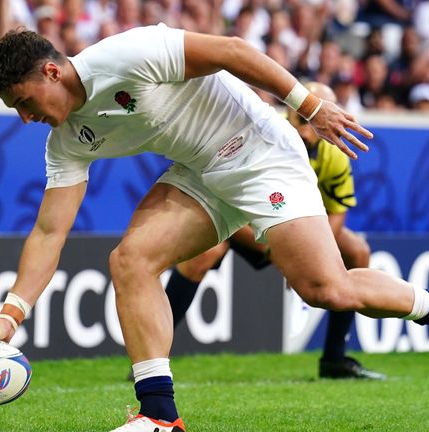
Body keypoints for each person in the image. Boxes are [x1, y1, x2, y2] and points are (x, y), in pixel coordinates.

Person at [0, 24, 429, 432]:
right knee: (129, 261)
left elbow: (232, 51)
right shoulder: (65, 139)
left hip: (258, 153)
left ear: (50, 72)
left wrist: (309, 104)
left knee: (327, 288)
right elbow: (48, 233)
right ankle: (159, 416)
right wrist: (7, 318)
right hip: (200, 172)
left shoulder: (125, 56)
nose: (26, 118)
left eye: (23, 103)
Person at [148, 82, 385, 382]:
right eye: (304, 118)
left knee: (357, 251)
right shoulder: (263, 134)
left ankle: (334, 359)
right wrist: (278, 247)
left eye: (316, 119)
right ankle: (152, 355)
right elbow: (229, 200)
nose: (309, 128)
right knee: (203, 254)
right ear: (291, 113)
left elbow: (336, 214)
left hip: (291, 226)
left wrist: (309, 251)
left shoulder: (333, 153)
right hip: (239, 221)